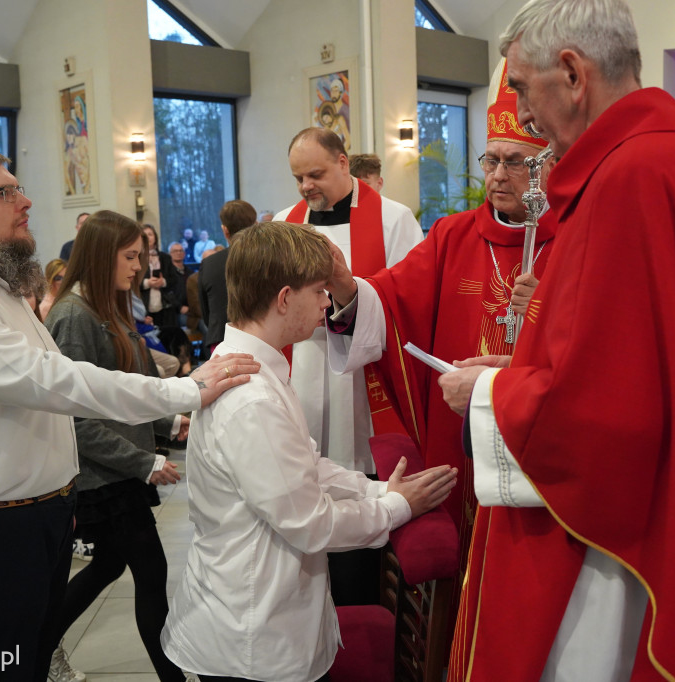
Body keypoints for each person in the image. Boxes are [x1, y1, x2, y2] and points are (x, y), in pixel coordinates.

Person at [438, 2, 675, 680]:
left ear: (572, 73)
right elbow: (639, 360)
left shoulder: (629, 177)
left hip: (616, 545)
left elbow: (606, 414)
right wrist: (525, 362)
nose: (521, 110)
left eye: (520, 85)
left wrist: (483, 393)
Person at [0, 144, 258, 681]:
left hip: (33, 518)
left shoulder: (0, 292)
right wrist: (184, 392)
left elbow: (51, 400)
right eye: (4, 193)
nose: (25, 201)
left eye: (18, 187)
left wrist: (61, 492)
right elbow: (55, 383)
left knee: (31, 664)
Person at [160, 221, 458, 682]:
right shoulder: (253, 397)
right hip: (253, 636)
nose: (326, 302)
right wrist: (397, 508)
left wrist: (375, 490)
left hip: (261, 612)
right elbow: (309, 524)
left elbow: (305, 464)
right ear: (283, 298)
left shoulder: (252, 365)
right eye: (319, 291)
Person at [325, 62, 555, 552]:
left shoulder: (576, 239)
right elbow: (391, 298)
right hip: (458, 435)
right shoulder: (454, 235)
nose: (495, 176)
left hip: (538, 441)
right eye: (489, 160)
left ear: (546, 167)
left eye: (514, 162)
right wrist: (346, 287)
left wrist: (545, 310)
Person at [44, 211, 187, 682]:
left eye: (141, 256)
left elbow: (132, 390)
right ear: (102, 255)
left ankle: (37, 646)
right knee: (151, 571)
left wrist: (171, 423)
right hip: (102, 477)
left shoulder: (110, 308)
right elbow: (75, 416)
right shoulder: (73, 315)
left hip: (116, 473)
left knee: (108, 564)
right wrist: (143, 461)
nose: (140, 267)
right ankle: (174, 675)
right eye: (130, 257)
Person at [274, 127, 423, 475]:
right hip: (303, 363)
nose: (305, 186)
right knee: (308, 470)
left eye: (315, 174)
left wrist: (351, 295)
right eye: (298, 178)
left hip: (365, 369)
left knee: (364, 474)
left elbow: (411, 299)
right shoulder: (284, 223)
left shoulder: (393, 218)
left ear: (343, 163)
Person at [199, 200, 256, 352]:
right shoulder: (268, 259)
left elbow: (206, 312)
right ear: (256, 224)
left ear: (225, 230)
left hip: (221, 338)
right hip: (260, 338)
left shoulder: (210, 263)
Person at [166, 242, 190, 327]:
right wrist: (180, 307)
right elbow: (167, 293)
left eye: (180, 251)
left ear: (184, 253)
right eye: (175, 251)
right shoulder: (167, 273)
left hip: (192, 310)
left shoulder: (189, 272)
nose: (178, 253)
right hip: (175, 312)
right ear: (170, 254)